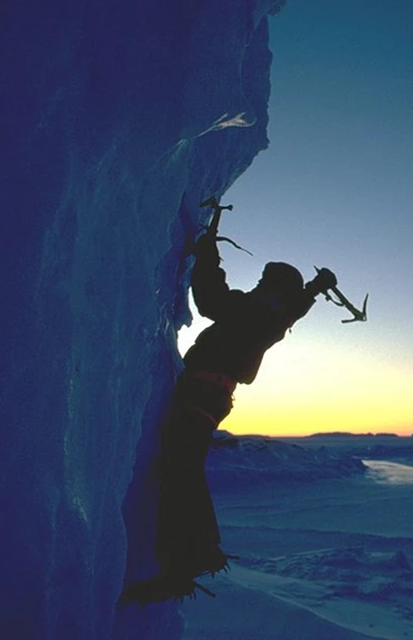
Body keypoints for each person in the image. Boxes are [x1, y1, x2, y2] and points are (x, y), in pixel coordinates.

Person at [121, 227, 337, 604]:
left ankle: (185, 562)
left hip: (201, 393)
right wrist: (316, 288)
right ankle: (196, 552)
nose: (258, 285)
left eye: (264, 282)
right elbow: (297, 306)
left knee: (180, 471)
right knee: (182, 469)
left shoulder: (253, 311)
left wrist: (208, 255)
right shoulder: (277, 316)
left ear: (273, 289)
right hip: (212, 396)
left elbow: (210, 299)